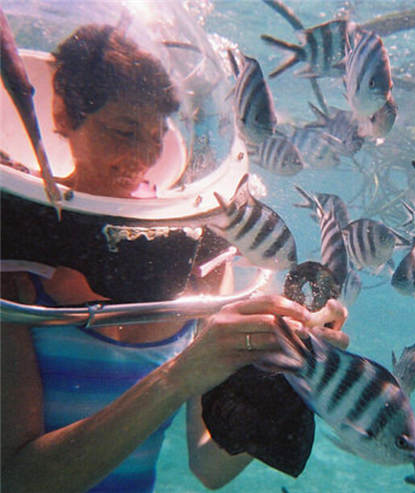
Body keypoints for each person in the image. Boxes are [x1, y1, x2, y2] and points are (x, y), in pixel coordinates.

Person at [0, 24, 349, 492]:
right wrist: (178, 376)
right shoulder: (14, 263)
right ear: (62, 115)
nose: (144, 154)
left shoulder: (196, 261)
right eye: (124, 130)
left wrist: (290, 375)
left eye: (157, 132)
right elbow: (19, 480)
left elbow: (208, 465)